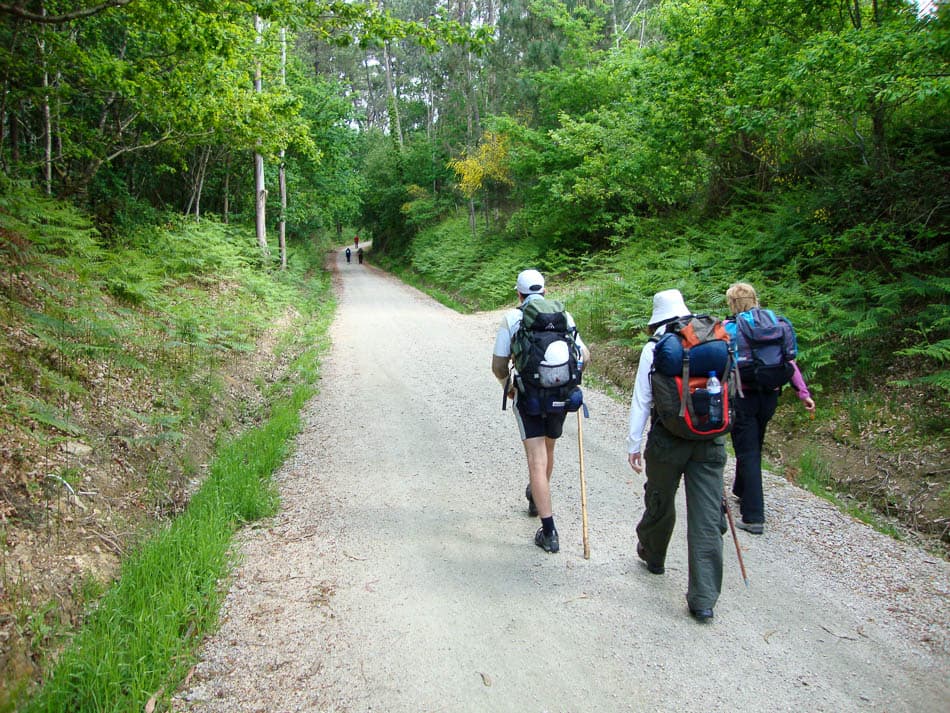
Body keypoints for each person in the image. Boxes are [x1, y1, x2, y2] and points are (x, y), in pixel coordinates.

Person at [627, 289, 726, 623]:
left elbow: (642, 399)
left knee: (660, 497)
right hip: (710, 439)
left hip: (668, 439)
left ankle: (654, 556)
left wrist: (633, 444)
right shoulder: (712, 338)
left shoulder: (655, 347)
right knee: (707, 517)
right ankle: (703, 599)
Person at [492, 269, 590, 554]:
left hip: (530, 397)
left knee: (536, 460)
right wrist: (570, 380)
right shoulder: (564, 316)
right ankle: (538, 497)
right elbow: (584, 356)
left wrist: (509, 386)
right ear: (545, 291)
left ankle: (549, 532)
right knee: (549, 450)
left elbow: (498, 366)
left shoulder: (512, 318)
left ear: (519, 294)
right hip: (560, 396)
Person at [724, 282, 815, 535]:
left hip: (744, 395)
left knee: (747, 450)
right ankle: (741, 489)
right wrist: (803, 393)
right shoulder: (776, 325)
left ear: (732, 303)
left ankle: (753, 516)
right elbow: (790, 361)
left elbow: (722, 361)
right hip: (770, 395)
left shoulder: (730, 328)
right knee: (754, 443)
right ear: (755, 299)